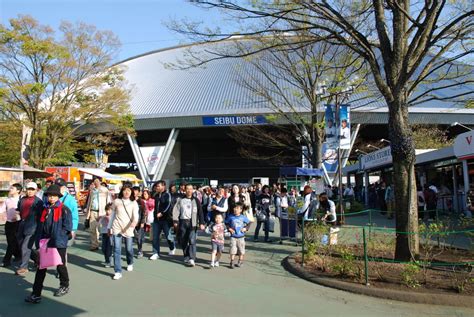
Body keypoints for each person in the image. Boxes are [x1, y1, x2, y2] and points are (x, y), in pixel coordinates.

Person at [25, 184, 72, 303]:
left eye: (54, 196)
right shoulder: (45, 209)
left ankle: (64, 285)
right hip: (45, 241)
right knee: (41, 267)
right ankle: (36, 294)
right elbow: (41, 226)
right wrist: (40, 240)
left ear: (58, 197)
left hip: (58, 242)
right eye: (49, 196)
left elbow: (67, 228)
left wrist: (58, 238)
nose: (51, 198)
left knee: (60, 265)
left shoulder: (64, 209)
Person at [108, 182, 139, 280]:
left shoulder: (133, 203)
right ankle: (118, 271)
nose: (127, 192)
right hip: (117, 227)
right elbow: (112, 215)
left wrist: (134, 222)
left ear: (131, 192)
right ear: (122, 191)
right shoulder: (117, 201)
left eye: (129, 190)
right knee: (116, 249)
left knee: (129, 249)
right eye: (125, 190)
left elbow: (136, 215)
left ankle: (130, 262)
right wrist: (109, 227)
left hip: (128, 228)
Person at [172, 183, 205, 267]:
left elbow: (200, 212)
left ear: (192, 190)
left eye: (191, 189)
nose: (189, 190)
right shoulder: (180, 200)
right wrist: (175, 220)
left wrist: (201, 223)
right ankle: (186, 256)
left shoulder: (196, 200)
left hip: (192, 223)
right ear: (185, 190)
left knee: (192, 240)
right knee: (183, 240)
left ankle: (192, 258)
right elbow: (176, 210)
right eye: (187, 189)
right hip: (183, 222)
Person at [16, 182, 43, 276]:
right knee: (20, 244)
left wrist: (38, 228)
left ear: (36, 190)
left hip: (32, 226)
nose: (30, 191)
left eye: (32, 189)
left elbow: (41, 216)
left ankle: (24, 267)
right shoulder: (22, 199)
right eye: (29, 189)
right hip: (21, 224)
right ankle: (38, 260)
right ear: (25, 190)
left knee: (25, 246)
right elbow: (19, 209)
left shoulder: (39, 202)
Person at [150, 180, 176, 260]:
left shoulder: (167, 195)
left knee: (169, 237)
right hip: (156, 220)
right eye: (156, 186)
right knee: (155, 237)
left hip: (165, 220)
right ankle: (155, 253)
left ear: (163, 186)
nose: (157, 187)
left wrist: (162, 213)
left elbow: (168, 205)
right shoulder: (156, 195)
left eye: (158, 186)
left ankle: (172, 247)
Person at [85, 178, 111, 251]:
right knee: (92, 229)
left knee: (101, 229)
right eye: (94, 181)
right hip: (93, 211)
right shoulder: (92, 191)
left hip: (102, 212)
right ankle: (94, 245)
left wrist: (108, 211)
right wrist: (88, 213)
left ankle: (104, 244)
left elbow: (108, 201)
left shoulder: (105, 190)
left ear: (100, 181)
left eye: (97, 181)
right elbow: (89, 201)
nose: (96, 182)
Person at [1, 183, 22, 267]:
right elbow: (1, 210)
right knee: (12, 242)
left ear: (18, 190)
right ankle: (18, 255)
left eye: (12, 188)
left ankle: (6, 261)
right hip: (8, 223)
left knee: (13, 243)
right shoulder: (7, 200)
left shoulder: (21, 200)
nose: (10, 189)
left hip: (18, 223)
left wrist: (18, 217)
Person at [226, 202, 251, 268]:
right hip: (233, 236)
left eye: (237, 208)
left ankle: (240, 261)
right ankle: (232, 262)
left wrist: (246, 228)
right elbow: (226, 223)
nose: (235, 209)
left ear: (241, 210)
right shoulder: (230, 217)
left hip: (241, 237)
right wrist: (229, 229)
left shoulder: (243, 217)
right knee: (232, 249)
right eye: (234, 208)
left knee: (241, 250)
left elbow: (249, 223)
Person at [55, 178, 79, 246]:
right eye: (57, 186)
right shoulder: (52, 197)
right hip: (54, 228)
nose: (58, 188)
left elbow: (75, 216)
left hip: (66, 228)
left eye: (60, 186)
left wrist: (73, 230)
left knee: (62, 249)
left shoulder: (70, 199)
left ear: (64, 187)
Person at [132, 186, 146, 258]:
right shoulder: (129, 200)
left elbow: (144, 212)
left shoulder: (141, 202)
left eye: (136, 191)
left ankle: (140, 251)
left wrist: (142, 222)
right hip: (130, 222)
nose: (134, 192)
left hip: (139, 222)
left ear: (139, 192)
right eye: (133, 190)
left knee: (139, 238)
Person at [99, 203, 114, 267]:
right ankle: (107, 260)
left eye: (109, 210)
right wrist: (99, 218)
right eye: (106, 210)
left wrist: (109, 219)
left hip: (110, 234)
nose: (107, 211)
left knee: (109, 248)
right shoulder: (104, 216)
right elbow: (99, 223)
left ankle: (109, 261)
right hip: (104, 233)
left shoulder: (113, 217)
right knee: (103, 248)